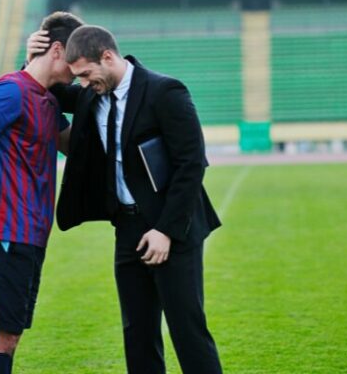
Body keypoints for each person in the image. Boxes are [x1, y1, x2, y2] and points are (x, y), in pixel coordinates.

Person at [31, 25, 223, 374]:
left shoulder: (165, 91)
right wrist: (33, 55)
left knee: (187, 330)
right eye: (79, 78)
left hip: (172, 227)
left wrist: (165, 231)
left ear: (108, 57)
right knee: (137, 333)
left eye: (87, 74)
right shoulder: (92, 92)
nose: (84, 84)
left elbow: (191, 165)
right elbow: (48, 86)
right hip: (128, 228)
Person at [0, 12, 81, 374]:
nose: (78, 70)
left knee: (6, 338)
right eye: (75, 60)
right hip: (6, 233)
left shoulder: (47, 102)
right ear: (57, 49)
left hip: (32, 236)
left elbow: (78, 148)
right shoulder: (11, 90)